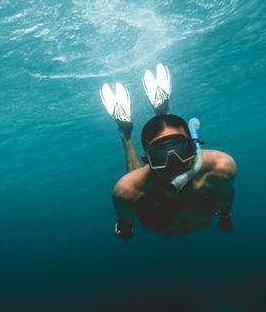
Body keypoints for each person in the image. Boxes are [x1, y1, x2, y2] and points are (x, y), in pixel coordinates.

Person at [100, 65, 236, 240]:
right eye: (160, 156)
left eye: (181, 149)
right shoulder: (127, 191)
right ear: (147, 160)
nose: (174, 162)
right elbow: (125, 222)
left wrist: (225, 216)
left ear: (194, 147)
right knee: (133, 183)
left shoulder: (221, 168)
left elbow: (227, 196)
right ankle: (126, 133)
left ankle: (160, 113)